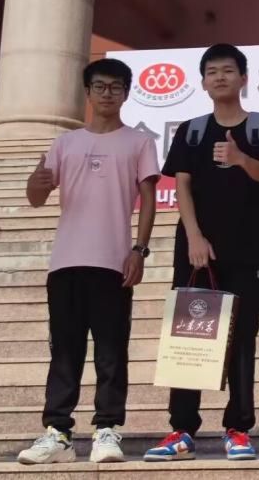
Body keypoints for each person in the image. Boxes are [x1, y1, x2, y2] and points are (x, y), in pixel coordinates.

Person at [17, 58, 161, 466]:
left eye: (115, 87)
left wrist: (139, 250)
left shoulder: (138, 142)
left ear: (126, 93)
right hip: (66, 262)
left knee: (112, 351)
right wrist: (35, 182)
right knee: (65, 350)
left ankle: (107, 430)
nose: (107, 93)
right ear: (88, 92)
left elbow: (148, 198)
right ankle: (58, 434)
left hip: (114, 263)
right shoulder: (65, 143)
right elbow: (36, 196)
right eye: (100, 86)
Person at [144, 44, 259, 462]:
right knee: (187, 336)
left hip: (246, 250)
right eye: (212, 72)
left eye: (228, 70)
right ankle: (182, 429)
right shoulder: (192, 130)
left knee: (242, 339)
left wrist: (240, 158)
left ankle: (238, 428)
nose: (220, 77)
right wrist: (194, 236)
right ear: (203, 82)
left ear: (244, 78)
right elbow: (182, 184)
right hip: (197, 251)